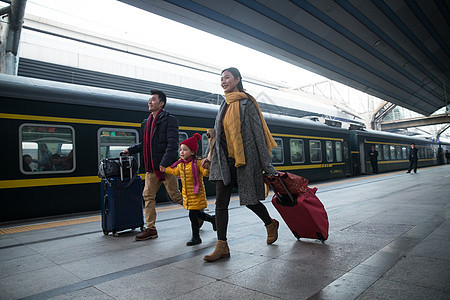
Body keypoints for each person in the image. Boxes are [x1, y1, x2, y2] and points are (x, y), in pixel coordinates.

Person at [201, 67, 279, 262]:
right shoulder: (224, 104)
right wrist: (208, 156)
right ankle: (222, 246)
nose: (223, 81)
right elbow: (217, 135)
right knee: (221, 203)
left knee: (250, 200)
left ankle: (270, 224)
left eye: (227, 78)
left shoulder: (247, 103)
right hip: (223, 161)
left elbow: (258, 135)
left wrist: (267, 166)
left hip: (244, 161)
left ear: (237, 79)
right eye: (221, 79)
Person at [123, 90, 183, 241]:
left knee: (175, 196)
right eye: (149, 100)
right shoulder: (146, 122)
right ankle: (151, 228)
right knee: (148, 196)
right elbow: (146, 144)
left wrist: (164, 162)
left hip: (166, 167)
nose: (149, 102)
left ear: (161, 103)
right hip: (151, 167)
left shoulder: (170, 120)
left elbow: (172, 144)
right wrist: (131, 150)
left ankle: (198, 211)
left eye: (153, 100)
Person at [161, 133, 216, 246]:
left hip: (197, 194)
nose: (181, 152)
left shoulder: (198, 163)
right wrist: (165, 169)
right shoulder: (181, 165)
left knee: (193, 216)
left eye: (185, 150)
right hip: (187, 195)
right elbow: (175, 172)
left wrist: (207, 167)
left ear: (192, 152)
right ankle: (213, 220)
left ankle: (196, 237)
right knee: (197, 215)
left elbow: (205, 174)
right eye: (181, 150)